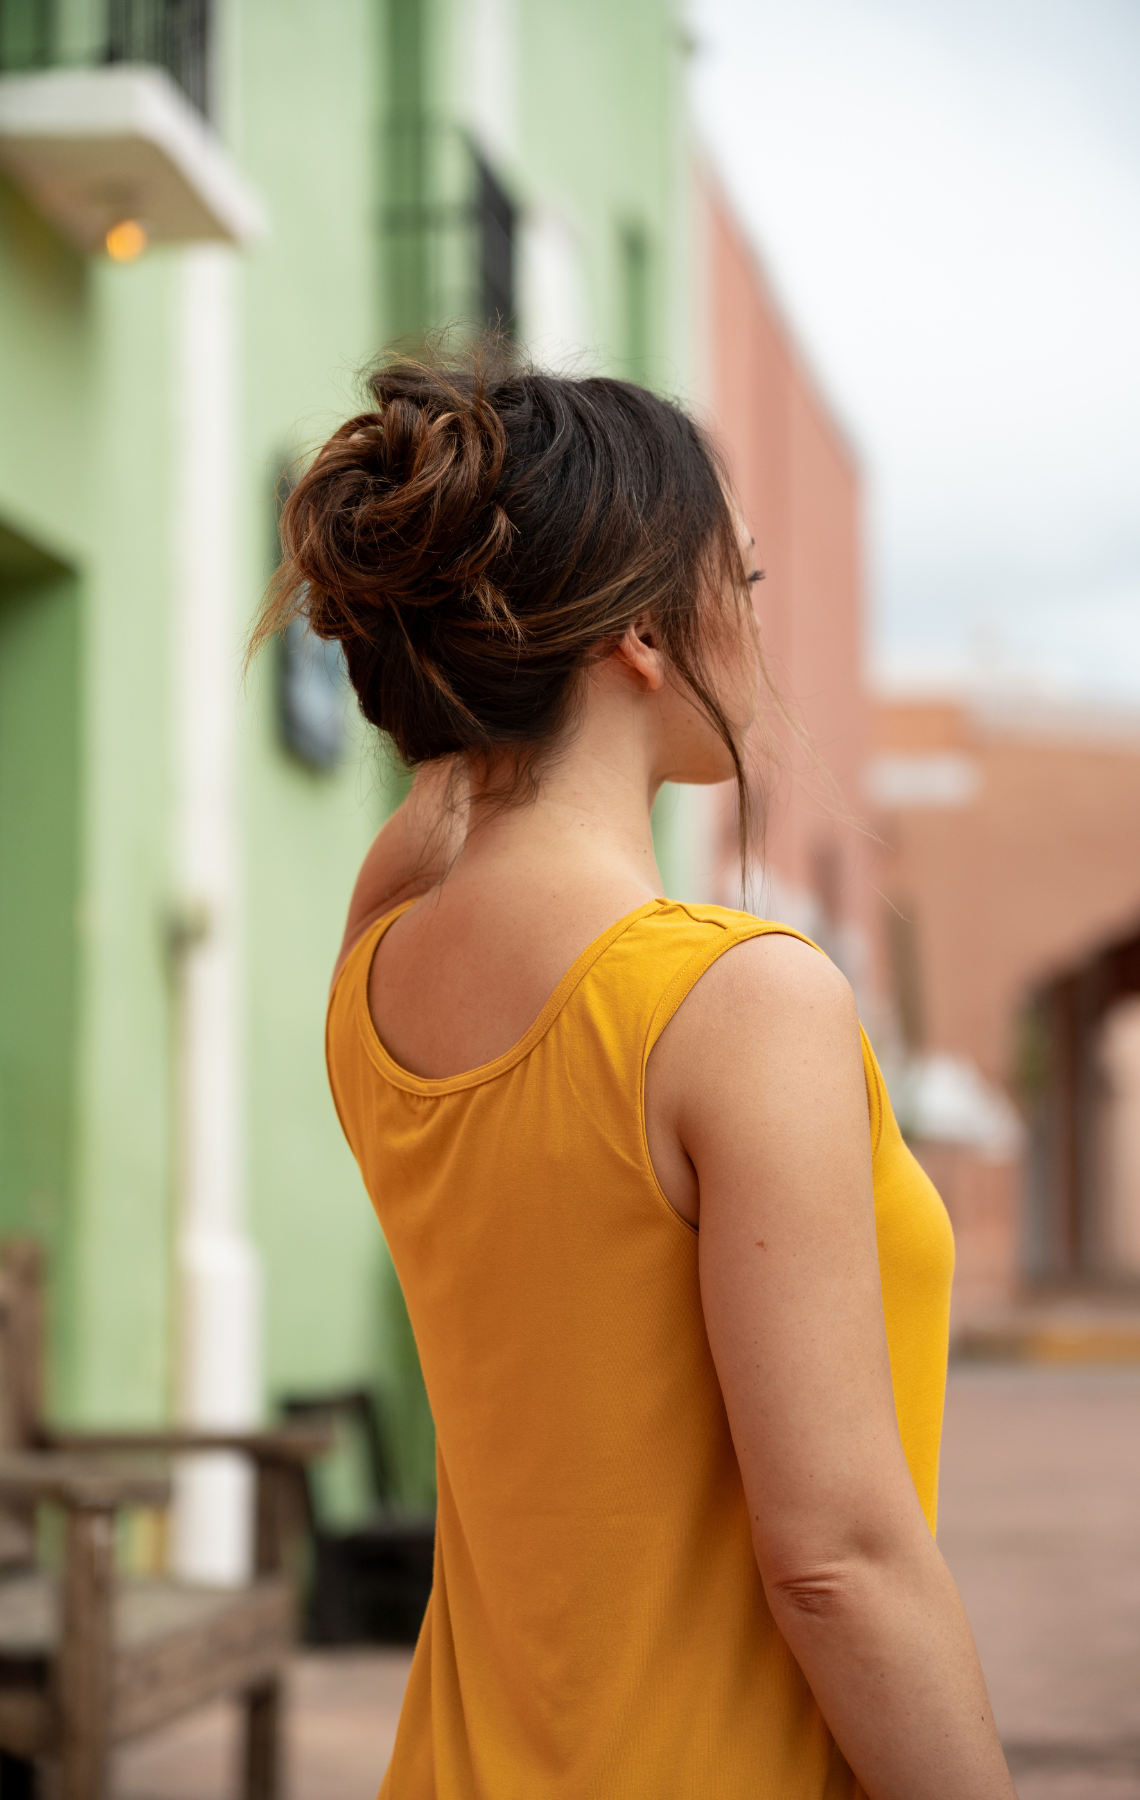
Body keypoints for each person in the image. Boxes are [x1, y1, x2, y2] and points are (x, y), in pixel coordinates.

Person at [256, 356, 1016, 1799]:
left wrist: (477, 674)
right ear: (644, 641)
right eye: (742, 574)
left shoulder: (374, 981)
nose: (759, 614)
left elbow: (442, 812)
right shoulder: (739, 1003)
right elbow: (839, 1565)